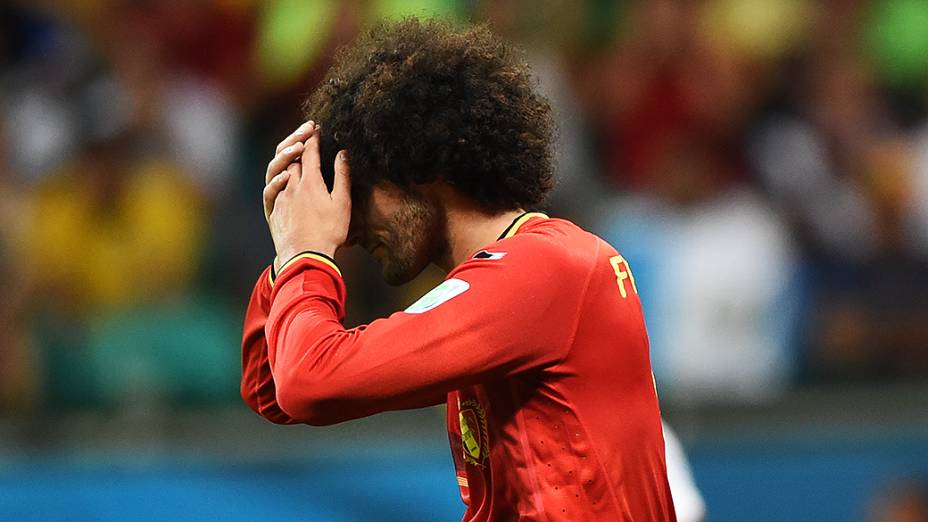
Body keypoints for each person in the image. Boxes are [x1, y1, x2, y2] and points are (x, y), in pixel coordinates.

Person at [241, 18, 675, 521]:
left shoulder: (546, 269)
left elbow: (310, 383)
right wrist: (287, 256)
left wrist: (305, 255)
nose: (349, 228)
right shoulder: (502, 281)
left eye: (357, 195)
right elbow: (272, 387)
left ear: (421, 168)